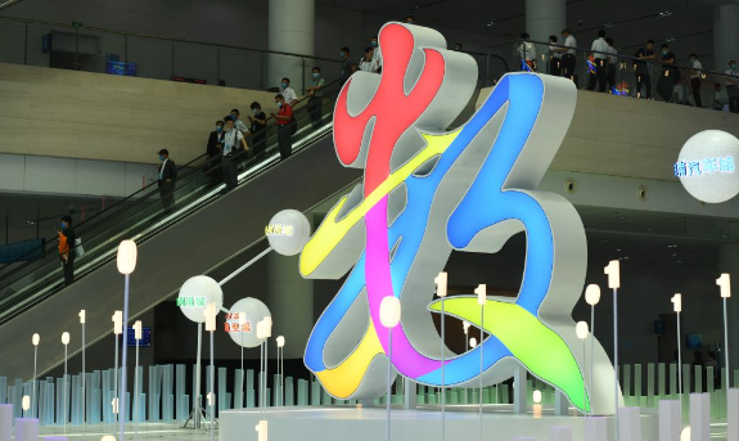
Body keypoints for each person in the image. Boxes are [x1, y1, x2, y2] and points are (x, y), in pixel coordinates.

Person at [222, 116, 249, 191]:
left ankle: (234, 189)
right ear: (226, 125)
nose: (230, 125)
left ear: (233, 124)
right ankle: (228, 188)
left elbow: (242, 139)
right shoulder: (226, 133)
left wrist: (245, 146)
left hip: (232, 155)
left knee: (232, 173)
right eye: (228, 124)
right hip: (225, 156)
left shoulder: (237, 132)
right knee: (226, 174)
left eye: (231, 123)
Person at [272, 94, 294, 160]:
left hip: (285, 127)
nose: (277, 103)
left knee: (285, 143)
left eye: (278, 101)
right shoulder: (281, 109)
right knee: (281, 144)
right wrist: (276, 118)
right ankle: (283, 156)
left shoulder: (287, 107)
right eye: (276, 102)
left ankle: (287, 156)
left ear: (282, 99)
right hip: (280, 127)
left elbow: (288, 117)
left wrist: (278, 117)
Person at [58, 215, 76, 286]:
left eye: (63, 222)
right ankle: (68, 281)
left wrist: (60, 238)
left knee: (68, 269)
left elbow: (68, 241)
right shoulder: (68, 230)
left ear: (67, 222)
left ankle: (68, 282)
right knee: (67, 268)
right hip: (68, 253)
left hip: (68, 253)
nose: (61, 224)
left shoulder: (69, 230)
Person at [157, 149, 176, 213]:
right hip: (162, 184)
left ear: (165, 155)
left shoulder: (170, 162)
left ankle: (171, 211)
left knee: (168, 198)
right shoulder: (163, 163)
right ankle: (166, 210)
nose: (160, 156)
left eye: (161, 155)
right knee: (164, 198)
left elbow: (174, 172)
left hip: (167, 185)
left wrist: (171, 179)